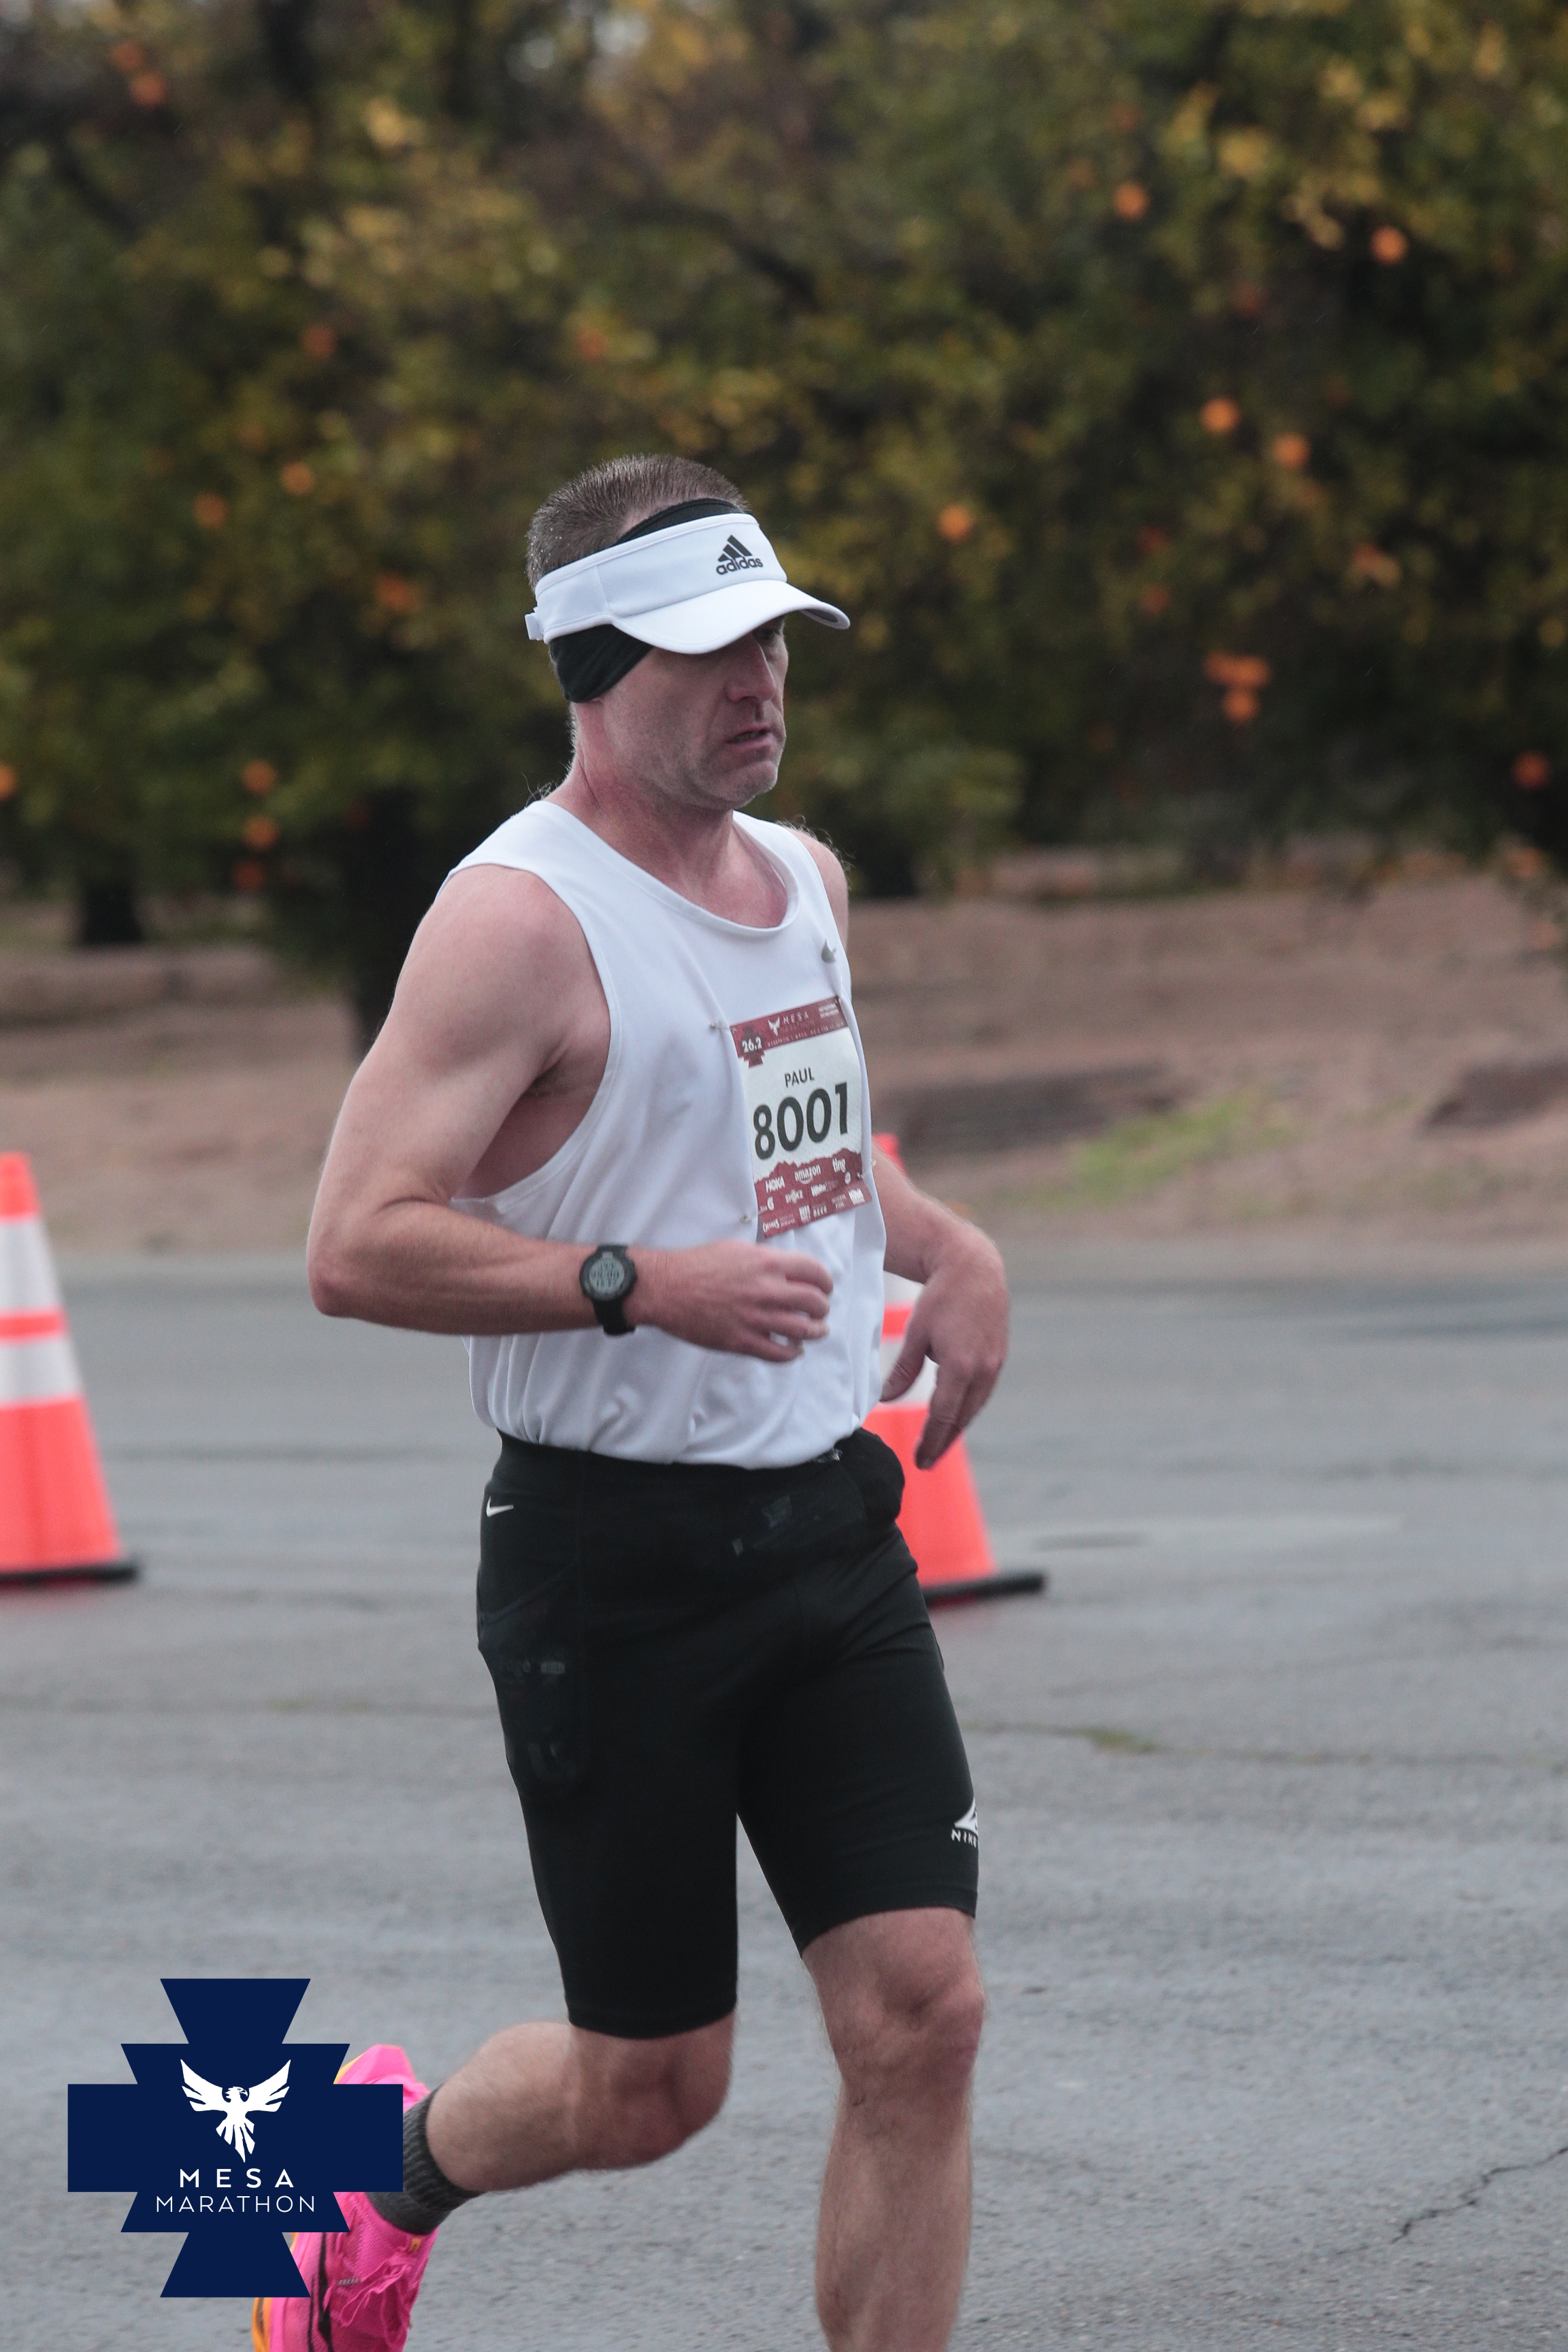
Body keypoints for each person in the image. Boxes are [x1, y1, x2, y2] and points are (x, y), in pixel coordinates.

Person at [262, 453, 1009, 2352]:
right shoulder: (518, 921)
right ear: (596, 671)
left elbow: (796, 1156)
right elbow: (353, 1244)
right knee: (650, 2090)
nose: (763, 684)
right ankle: (375, 2190)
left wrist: (946, 1246)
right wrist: (630, 1284)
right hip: (617, 1561)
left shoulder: (804, 883)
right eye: (713, 651)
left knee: (925, 2014)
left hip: (828, 1531)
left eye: (779, 640)